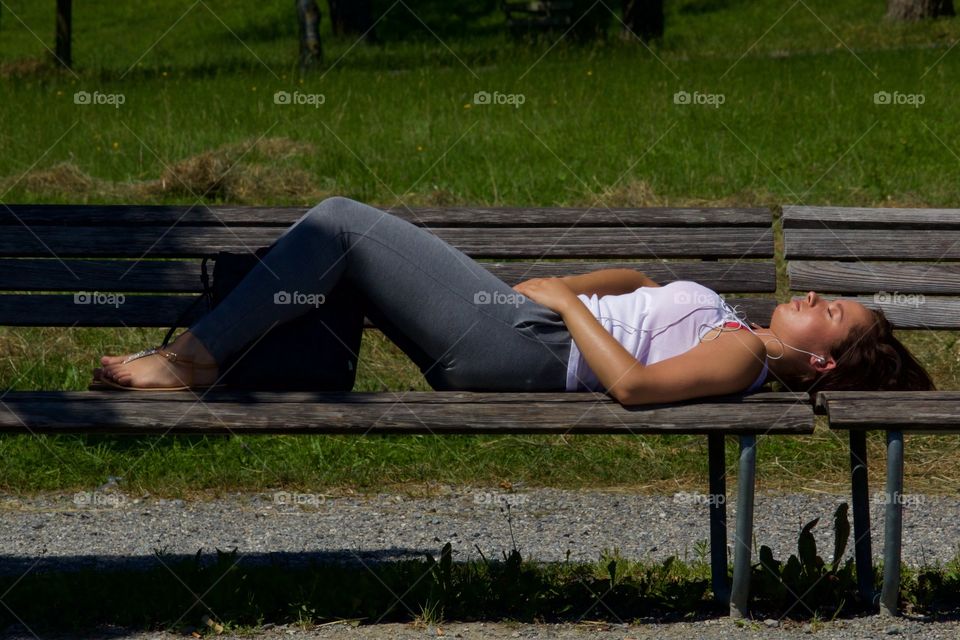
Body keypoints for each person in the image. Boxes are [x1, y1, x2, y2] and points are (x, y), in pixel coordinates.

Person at [93, 197, 935, 403]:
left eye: (831, 313)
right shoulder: (737, 322)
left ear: (821, 360)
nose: (816, 295)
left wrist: (565, 310)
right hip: (531, 326)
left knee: (341, 225)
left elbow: (633, 388)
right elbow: (642, 287)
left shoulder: (749, 353)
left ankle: (187, 358)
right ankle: (227, 369)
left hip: (535, 348)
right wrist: (572, 286)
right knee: (338, 267)